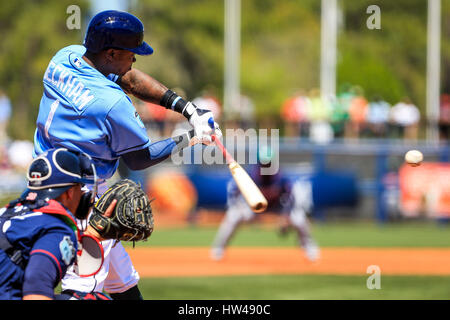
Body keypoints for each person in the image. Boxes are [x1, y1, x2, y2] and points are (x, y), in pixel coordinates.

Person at [32, 10, 222, 300]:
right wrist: (192, 137)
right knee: (82, 292)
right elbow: (137, 159)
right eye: (130, 52)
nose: (135, 58)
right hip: (81, 201)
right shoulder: (111, 103)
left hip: (43, 181)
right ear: (110, 53)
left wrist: (188, 109)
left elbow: (129, 78)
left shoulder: (65, 57)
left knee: (124, 285)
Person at [0, 148, 106, 300]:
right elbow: (36, 293)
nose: (83, 193)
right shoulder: (56, 228)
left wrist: (94, 234)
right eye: (79, 187)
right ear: (69, 192)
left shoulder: (9, 212)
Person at [210, 148, 320, 262]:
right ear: (259, 163)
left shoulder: (280, 176)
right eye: (264, 162)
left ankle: (309, 249)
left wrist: (286, 217)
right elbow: (235, 193)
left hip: (276, 207)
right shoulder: (252, 175)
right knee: (233, 216)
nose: (266, 165)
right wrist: (239, 206)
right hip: (255, 207)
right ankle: (219, 249)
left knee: (299, 219)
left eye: (269, 162)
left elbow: (290, 197)